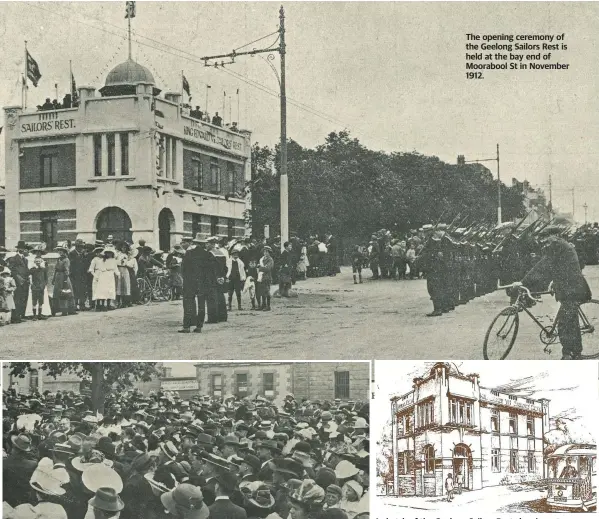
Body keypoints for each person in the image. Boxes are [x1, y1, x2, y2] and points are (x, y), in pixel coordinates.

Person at [520, 226, 592, 359]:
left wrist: (524, 282)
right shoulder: (561, 245)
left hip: (571, 289)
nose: (545, 241)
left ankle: (569, 353)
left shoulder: (556, 245)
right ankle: (575, 352)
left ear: (554, 236)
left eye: (546, 237)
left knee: (565, 323)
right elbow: (556, 266)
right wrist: (552, 282)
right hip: (570, 286)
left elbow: (544, 265)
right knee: (570, 320)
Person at [179, 234, 219, 334]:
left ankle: (187, 326)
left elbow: (183, 269)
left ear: (195, 243)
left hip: (190, 282)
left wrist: (186, 279)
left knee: (188, 303)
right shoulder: (208, 255)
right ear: (204, 244)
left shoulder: (189, 253)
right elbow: (213, 270)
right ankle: (199, 326)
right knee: (201, 305)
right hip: (203, 283)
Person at [6, 241, 31, 323]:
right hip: (18, 282)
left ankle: (20, 315)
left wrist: (28, 278)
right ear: (18, 249)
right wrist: (19, 279)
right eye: (21, 248)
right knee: (17, 298)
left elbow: (26, 270)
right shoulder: (13, 259)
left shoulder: (25, 259)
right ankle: (15, 317)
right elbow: (12, 270)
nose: (23, 250)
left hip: (25, 282)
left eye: (24, 248)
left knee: (23, 298)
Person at [52, 245, 77, 316]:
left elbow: (67, 270)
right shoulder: (58, 259)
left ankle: (66, 310)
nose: (60, 252)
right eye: (59, 251)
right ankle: (56, 310)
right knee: (57, 293)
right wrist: (54, 279)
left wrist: (65, 280)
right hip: (58, 277)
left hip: (64, 277)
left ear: (64, 252)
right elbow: (56, 270)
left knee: (65, 292)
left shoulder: (66, 260)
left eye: (62, 251)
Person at [69, 239, 88, 311]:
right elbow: (71, 264)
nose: (80, 248)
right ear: (76, 247)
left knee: (83, 290)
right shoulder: (72, 254)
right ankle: (75, 305)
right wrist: (79, 256)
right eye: (79, 246)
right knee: (75, 290)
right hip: (75, 275)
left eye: (81, 247)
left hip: (82, 274)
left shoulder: (84, 254)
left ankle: (82, 305)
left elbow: (86, 263)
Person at [257, 246, 274, 311]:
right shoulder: (262, 259)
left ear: (269, 252)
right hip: (261, 277)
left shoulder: (270, 259)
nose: (265, 253)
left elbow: (268, 268)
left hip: (267, 277)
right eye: (264, 251)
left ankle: (268, 306)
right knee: (262, 291)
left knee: (267, 291)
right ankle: (263, 304)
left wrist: (260, 268)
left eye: (267, 251)